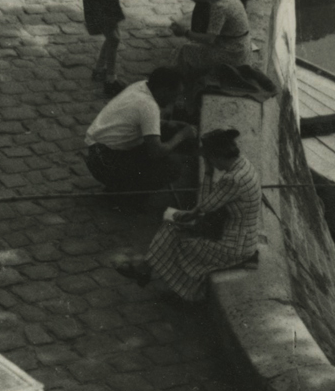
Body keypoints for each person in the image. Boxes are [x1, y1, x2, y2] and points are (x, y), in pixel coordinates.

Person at [112, 127, 262, 303]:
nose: (211, 164)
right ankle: (148, 270)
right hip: (239, 237)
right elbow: (207, 206)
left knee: (173, 232)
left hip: (233, 245)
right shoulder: (243, 165)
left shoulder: (233, 179)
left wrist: (207, 173)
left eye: (209, 159)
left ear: (215, 157)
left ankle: (180, 290)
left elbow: (205, 204)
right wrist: (192, 215)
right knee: (173, 222)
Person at [83, 67, 194, 196]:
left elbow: (139, 120)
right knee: (173, 166)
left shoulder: (140, 86)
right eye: (175, 94)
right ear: (164, 90)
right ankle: (128, 195)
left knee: (167, 131)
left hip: (96, 152)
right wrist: (182, 135)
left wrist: (168, 124)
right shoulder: (149, 106)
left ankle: (122, 186)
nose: (176, 100)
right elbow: (156, 152)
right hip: (105, 162)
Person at [168, 0, 252, 71]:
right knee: (190, 46)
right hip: (240, 46)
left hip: (233, 54)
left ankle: (182, 82)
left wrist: (184, 32)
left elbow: (209, 39)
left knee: (185, 51)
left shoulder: (220, 6)